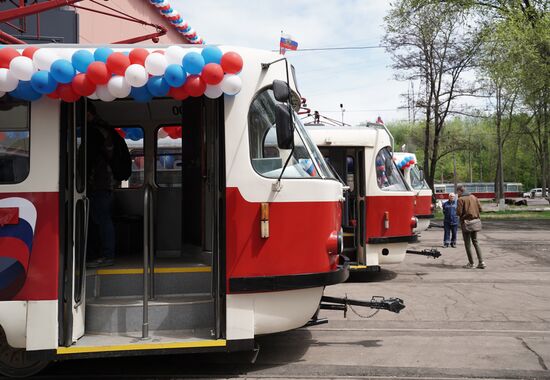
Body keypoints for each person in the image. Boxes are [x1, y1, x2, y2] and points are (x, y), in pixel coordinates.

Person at [86, 102, 116, 268]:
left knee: (102, 220)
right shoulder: (104, 129)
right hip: (104, 183)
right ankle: (104, 253)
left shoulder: (94, 131)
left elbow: (90, 159)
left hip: (98, 183)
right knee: (102, 220)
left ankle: (106, 255)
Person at [456, 184, 485, 269]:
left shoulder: (460, 199)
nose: (457, 194)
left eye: (457, 192)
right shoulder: (474, 197)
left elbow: (459, 213)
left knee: (467, 244)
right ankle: (481, 262)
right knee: (475, 242)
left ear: (460, 191)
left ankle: (471, 263)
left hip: (466, 223)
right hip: (475, 222)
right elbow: (481, 209)